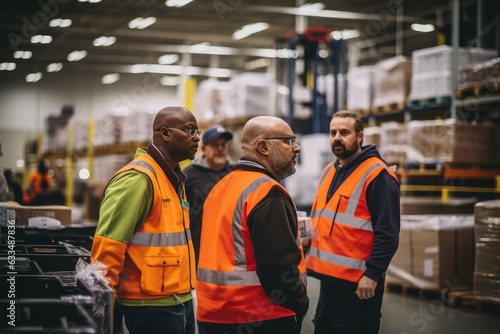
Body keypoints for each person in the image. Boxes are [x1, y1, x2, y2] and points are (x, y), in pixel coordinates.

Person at [90, 106, 199, 334]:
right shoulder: (138, 178)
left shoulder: (173, 178)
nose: (197, 137)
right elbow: (109, 245)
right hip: (150, 306)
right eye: (190, 131)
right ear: (165, 134)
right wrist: (103, 308)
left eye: (197, 131)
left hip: (178, 299)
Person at [196, 116, 309, 334]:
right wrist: (300, 303)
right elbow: (278, 268)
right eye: (288, 141)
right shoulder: (267, 193)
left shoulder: (219, 188)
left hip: (213, 316)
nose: (296, 148)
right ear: (263, 147)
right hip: (261, 317)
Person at [305, 110, 400, 334]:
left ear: (359, 136)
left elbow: (388, 233)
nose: (337, 137)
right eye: (333, 132)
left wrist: (372, 275)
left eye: (344, 132)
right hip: (329, 283)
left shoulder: (378, 176)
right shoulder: (329, 170)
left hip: (359, 286)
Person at [183, 124, 233, 266]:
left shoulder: (234, 174)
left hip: (229, 248)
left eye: (223, 145)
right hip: (198, 249)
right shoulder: (188, 175)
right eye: (215, 145)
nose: (220, 149)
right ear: (204, 149)